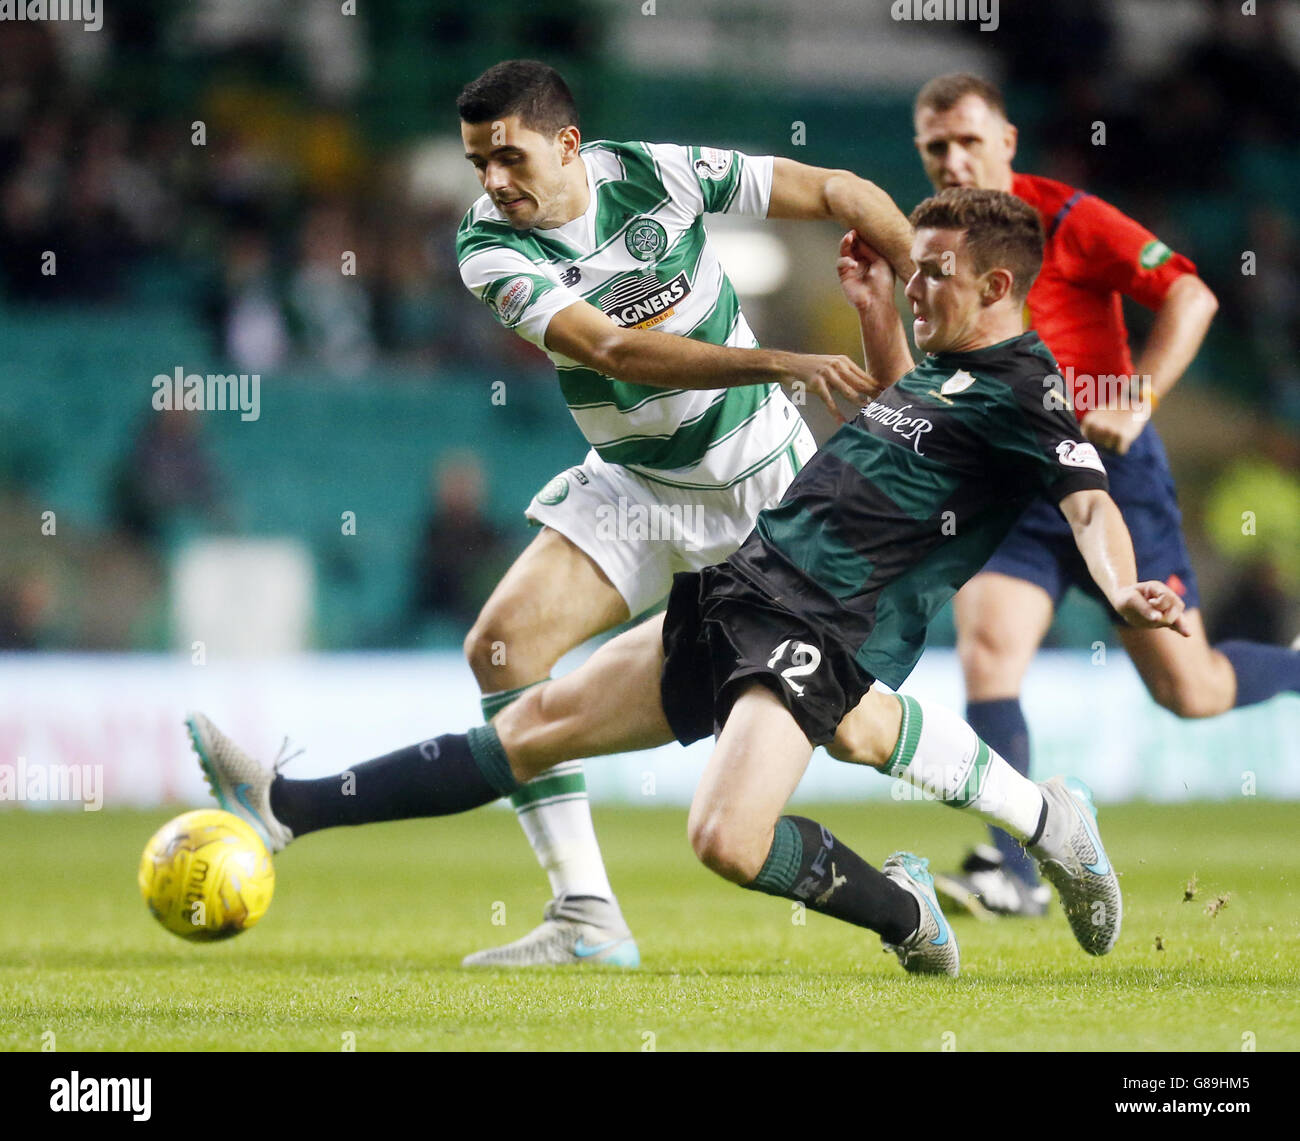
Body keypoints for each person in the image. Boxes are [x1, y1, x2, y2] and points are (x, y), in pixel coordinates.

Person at [187, 188, 1188, 979]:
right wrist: (880, 311)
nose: (916, 285)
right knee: (530, 728)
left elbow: (1089, 503)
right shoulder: (940, 364)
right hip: (746, 577)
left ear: (999, 283)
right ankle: (288, 807)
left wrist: (1127, 585)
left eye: (930, 275)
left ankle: (953, 879)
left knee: (723, 835)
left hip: (826, 618)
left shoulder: (1031, 388)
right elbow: (902, 420)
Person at [449, 59, 915, 966]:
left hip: (758, 484)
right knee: (501, 645)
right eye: (478, 164)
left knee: (858, 726)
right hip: (637, 486)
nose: (494, 182)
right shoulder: (487, 248)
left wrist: (918, 264)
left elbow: (837, 188)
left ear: (568, 144)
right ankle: (586, 912)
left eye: (508, 157)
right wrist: (783, 361)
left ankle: (1042, 815)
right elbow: (616, 348)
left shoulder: (661, 172)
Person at [903, 74, 1300, 919]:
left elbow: (1192, 294)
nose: (953, 158)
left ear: (1007, 141)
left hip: (1113, 477)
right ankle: (1009, 866)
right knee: (989, 650)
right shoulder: (931, 242)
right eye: (936, 146)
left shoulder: (1073, 220)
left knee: (1191, 691)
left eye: (970, 139)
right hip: (1015, 482)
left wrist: (1139, 395)